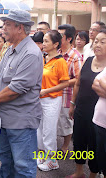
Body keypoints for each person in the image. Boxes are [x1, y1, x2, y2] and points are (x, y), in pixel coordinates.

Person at [0, 9, 43, 177]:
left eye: (7, 25)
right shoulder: (11, 49)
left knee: (23, 166)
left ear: (20, 28)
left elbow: (15, 90)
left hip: (21, 122)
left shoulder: (31, 53)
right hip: (3, 119)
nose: (3, 28)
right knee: (6, 160)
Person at [68, 30, 106, 178]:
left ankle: (93, 174)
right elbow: (77, 84)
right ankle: (79, 171)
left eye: (103, 42)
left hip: (98, 115)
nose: (97, 44)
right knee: (79, 141)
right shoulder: (88, 60)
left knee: (96, 145)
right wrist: (72, 104)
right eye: (96, 41)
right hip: (81, 109)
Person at [37, 30, 69, 171]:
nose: (43, 44)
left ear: (56, 44)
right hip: (40, 99)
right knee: (40, 129)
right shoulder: (42, 58)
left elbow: (65, 83)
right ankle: (43, 154)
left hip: (52, 99)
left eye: (46, 41)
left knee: (49, 131)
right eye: (43, 41)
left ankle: (53, 161)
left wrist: (46, 91)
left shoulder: (60, 61)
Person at [57, 24, 83, 155]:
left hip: (67, 96)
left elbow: (79, 78)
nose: (57, 37)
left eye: (60, 35)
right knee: (56, 121)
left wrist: (63, 83)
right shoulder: (56, 53)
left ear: (68, 39)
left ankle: (65, 146)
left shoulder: (75, 56)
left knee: (66, 123)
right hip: (54, 94)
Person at [92, 65, 106, 178]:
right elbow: (96, 82)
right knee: (101, 156)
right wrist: (102, 81)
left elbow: (101, 81)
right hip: (100, 120)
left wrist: (103, 82)